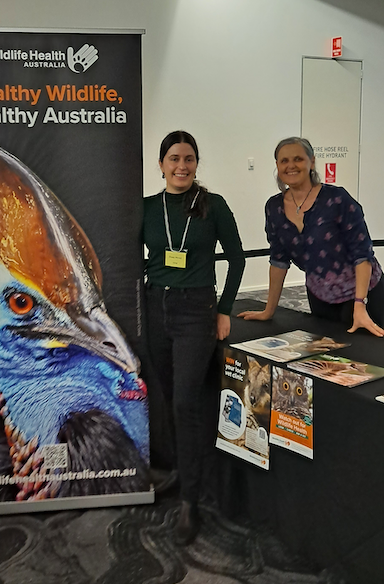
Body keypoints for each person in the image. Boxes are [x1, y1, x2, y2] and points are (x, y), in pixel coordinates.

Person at [143, 130, 245, 545]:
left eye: (188, 158)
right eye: (173, 158)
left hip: (196, 311)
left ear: (197, 163)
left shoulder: (212, 205)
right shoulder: (147, 208)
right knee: (167, 399)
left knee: (186, 401)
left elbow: (237, 259)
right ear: (162, 164)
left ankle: (191, 500)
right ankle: (178, 473)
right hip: (155, 309)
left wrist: (224, 311)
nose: (181, 166)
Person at [238, 136, 384, 336]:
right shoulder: (274, 208)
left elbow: (362, 254)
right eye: (284, 161)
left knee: (370, 361)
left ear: (311, 161)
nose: (291, 166)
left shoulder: (337, 199)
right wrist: (268, 311)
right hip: (320, 297)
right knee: (330, 361)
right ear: (277, 166)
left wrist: (360, 304)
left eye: (298, 159)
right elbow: (279, 261)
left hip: (365, 296)